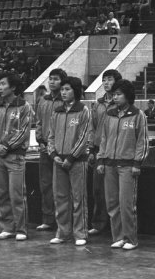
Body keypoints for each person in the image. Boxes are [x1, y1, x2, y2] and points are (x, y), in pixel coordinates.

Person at [96, 80, 148, 250]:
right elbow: (104, 139)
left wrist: (137, 162)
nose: (115, 97)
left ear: (128, 95)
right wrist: (101, 159)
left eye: (119, 94)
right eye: (114, 94)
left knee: (126, 203)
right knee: (112, 204)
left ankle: (130, 238)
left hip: (127, 166)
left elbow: (142, 141)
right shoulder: (109, 114)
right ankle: (118, 237)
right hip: (110, 163)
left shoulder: (138, 115)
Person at [48, 76, 91, 246]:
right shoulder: (57, 112)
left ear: (76, 91)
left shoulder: (83, 110)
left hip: (77, 161)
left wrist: (72, 157)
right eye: (62, 89)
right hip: (58, 161)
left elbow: (84, 136)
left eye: (67, 89)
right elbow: (50, 136)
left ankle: (80, 233)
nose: (63, 92)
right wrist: (54, 155)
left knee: (79, 198)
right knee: (60, 198)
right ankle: (63, 232)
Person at [0, 74, 33, 241]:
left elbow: (23, 131)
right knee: (1, 193)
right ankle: (7, 227)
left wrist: (6, 146)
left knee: (16, 194)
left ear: (13, 87)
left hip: (15, 156)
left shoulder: (24, 106)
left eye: (2, 84)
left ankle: (21, 229)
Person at [88, 69, 122, 235]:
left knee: (116, 192)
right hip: (99, 151)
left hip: (116, 152)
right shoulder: (98, 104)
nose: (107, 83)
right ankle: (99, 223)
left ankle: (116, 226)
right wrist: (91, 149)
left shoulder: (122, 104)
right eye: (104, 80)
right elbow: (92, 127)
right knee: (98, 190)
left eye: (110, 79)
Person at [34, 68, 67, 232]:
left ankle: (63, 221)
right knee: (45, 185)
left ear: (62, 82)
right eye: (50, 79)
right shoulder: (43, 101)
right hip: (45, 149)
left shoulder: (66, 101)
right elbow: (39, 122)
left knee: (61, 188)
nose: (52, 82)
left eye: (55, 79)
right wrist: (40, 141)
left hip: (60, 150)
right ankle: (47, 220)